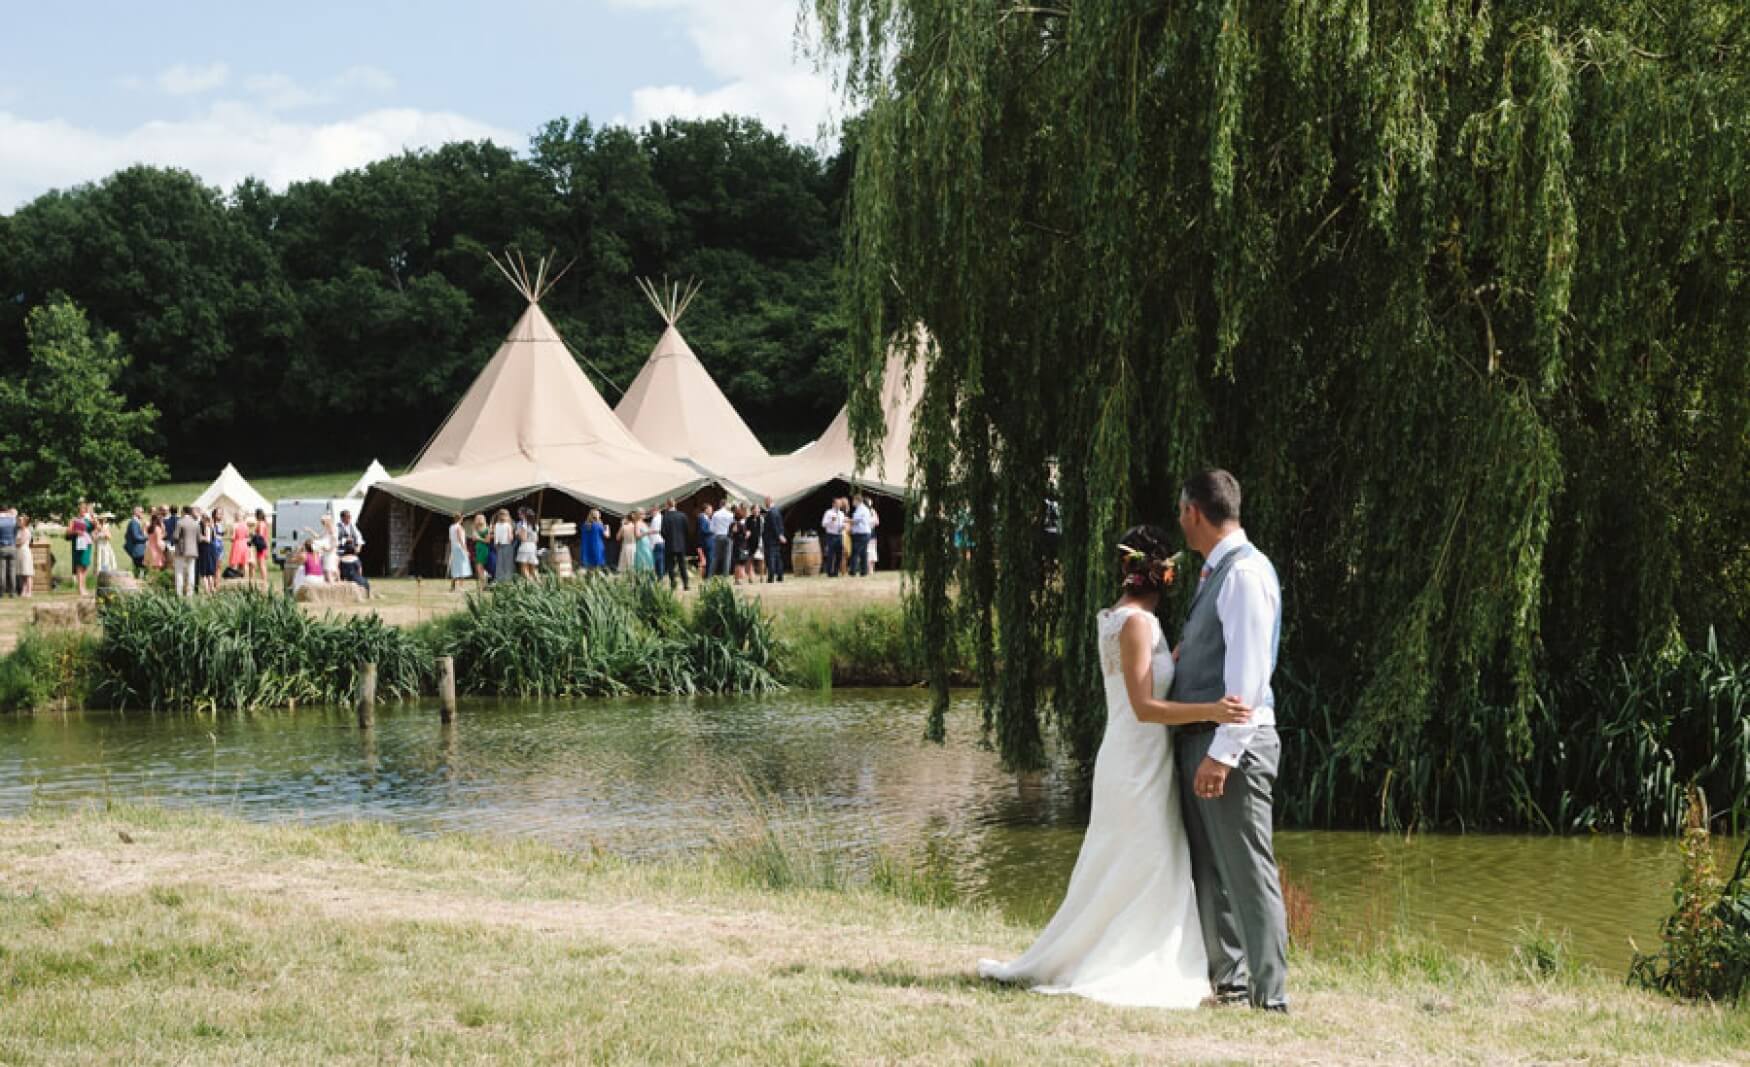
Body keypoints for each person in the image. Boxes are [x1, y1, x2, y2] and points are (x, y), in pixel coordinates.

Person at [978, 524, 1252, 1008]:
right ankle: (1129, 960)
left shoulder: (1121, 618)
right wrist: (1213, 710)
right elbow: (1144, 707)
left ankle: (1125, 950)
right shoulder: (1136, 624)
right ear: (1161, 576)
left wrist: (1176, 657)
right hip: (1135, 763)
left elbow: (1144, 677)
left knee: (1138, 861)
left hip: (1137, 758)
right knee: (1145, 860)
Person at [1171, 469, 1289, 1012]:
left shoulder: (1243, 575)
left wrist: (1222, 755)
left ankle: (1270, 996)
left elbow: (1246, 676)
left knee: (1246, 868)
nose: (1179, 522)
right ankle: (1232, 984)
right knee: (1212, 871)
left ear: (1195, 511)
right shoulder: (1216, 572)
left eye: (1181, 512)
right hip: (1204, 740)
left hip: (1232, 747)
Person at [659, 500, 691, 591]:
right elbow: (687, 530)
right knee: (682, 565)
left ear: (668, 505)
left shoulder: (666, 516)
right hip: (681, 544)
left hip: (670, 544)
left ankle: (673, 583)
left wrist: (668, 539)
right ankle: (686, 584)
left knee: (670, 565)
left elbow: (662, 532)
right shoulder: (682, 515)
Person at [172, 505, 200, 597]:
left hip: (181, 550)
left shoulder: (180, 522)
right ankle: (190, 593)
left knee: (179, 572)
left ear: (183, 512)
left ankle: (179, 593)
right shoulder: (196, 523)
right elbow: (198, 538)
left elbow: (175, 536)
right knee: (191, 572)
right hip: (193, 551)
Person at [68, 503, 94, 596]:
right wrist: (76, 531)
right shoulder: (74, 520)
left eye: (85, 509)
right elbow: (68, 532)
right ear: (78, 510)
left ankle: (84, 586)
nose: (83, 510)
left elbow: (97, 528)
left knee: (85, 565)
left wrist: (93, 516)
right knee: (79, 565)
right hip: (78, 544)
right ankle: (80, 588)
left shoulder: (89, 520)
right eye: (81, 509)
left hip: (87, 545)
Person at [760, 496, 787, 583]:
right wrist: (781, 534)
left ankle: (771, 577)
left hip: (771, 539)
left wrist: (779, 535)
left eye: (765, 502)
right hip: (776, 539)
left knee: (771, 558)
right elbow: (781, 525)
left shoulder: (771, 512)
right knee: (778, 558)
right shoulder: (777, 511)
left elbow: (774, 526)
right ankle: (780, 576)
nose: (765, 504)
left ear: (769, 501)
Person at [849, 496, 875, 577]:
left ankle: (853, 571)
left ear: (857, 501)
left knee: (855, 552)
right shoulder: (860, 509)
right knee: (863, 553)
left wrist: (845, 520)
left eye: (853, 501)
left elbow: (856, 521)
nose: (852, 502)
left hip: (862, 534)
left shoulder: (861, 509)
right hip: (863, 533)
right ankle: (864, 571)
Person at [820, 498, 845, 578]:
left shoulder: (841, 513)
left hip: (839, 535)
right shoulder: (828, 513)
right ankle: (829, 572)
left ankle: (836, 571)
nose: (839, 505)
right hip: (831, 535)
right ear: (833, 504)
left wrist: (843, 526)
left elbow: (842, 523)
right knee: (830, 554)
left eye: (840, 504)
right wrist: (831, 521)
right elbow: (823, 524)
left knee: (839, 555)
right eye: (837, 503)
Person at [709, 499, 734, 577]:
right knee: (727, 558)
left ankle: (710, 576)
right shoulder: (730, 515)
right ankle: (725, 576)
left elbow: (711, 528)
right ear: (726, 505)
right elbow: (733, 527)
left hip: (718, 536)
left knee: (715, 557)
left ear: (720, 505)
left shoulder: (715, 514)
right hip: (727, 536)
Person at [579, 509, 608, 574]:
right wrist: (607, 527)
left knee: (589, 567)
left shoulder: (584, 525)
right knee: (598, 567)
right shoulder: (598, 525)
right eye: (599, 514)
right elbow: (607, 535)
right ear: (597, 516)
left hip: (587, 548)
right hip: (597, 547)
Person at [447, 513, 471, 591]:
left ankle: (453, 585)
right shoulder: (459, 528)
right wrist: (466, 550)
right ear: (461, 519)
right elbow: (461, 540)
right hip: (460, 548)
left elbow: (450, 540)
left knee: (455, 567)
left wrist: (451, 550)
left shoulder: (451, 527)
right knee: (462, 567)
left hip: (454, 548)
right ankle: (460, 586)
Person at [515, 508, 540, 579]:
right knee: (533, 568)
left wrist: (518, 534)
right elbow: (536, 540)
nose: (519, 516)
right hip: (533, 547)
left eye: (520, 514)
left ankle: (530, 583)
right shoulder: (535, 525)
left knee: (524, 567)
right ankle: (539, 584)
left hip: (525, 547)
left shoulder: (524, 525)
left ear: (525, 515)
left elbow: (523, 538)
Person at [730, 505, 752, 585]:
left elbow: (730, 535)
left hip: (735, 545)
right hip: (742, 545)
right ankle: (738, 579)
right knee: (741, 562)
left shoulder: (732, 524)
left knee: (737, 562)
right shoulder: (741, 524)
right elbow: (745, 535)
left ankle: (737, 579)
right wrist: (748, 534)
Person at [492, 509, 515, 583]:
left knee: (499, 563)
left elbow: (496, 536)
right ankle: (507, 580)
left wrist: (495, 544)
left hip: (499, 545)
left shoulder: (496, 525)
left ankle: (499, 579)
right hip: (507, 545)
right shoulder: (508, 525)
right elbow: (510, 537)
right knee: (507, 563)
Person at [229, 511, 253, 580]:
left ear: (236, 516)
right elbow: (247, 536)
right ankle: (246, 579)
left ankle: (235, 580)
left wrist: (229, 538)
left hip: (237, 544)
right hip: (244, 544)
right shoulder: (245, 525)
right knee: (245, 564)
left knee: (235, 564)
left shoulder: (235, 525)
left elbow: (233, 537)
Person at [124, 507, 147, 577]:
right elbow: (136, 536)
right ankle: (139, 584)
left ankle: (139, 582)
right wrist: (146, 538)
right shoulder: (134, 522)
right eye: (142, 512)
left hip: (137, 549)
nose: (143, 513)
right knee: (140, 568)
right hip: (137, 550)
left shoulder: (135, 522)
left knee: (140, 568)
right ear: (136, 513)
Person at [470, 514, 491, 590]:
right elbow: (473, 539)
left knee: (479, 567)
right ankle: (483, 585)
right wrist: (476, 537)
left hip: (483, 549)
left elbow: (488, 541)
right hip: (477, 549)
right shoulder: (475, 528)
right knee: (479, 568)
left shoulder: (487, 529)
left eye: (480, 519)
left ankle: (484, 585)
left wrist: (479, 538)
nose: (478, 520)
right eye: (477, 519)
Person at [15, 514, 34, 597]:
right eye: (18, 520)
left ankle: (29, 591)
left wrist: (16, 543)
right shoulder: (19, 531)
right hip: (19, 552)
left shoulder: (27, 531)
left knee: (27, 572)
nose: (18, 522)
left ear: (25, 522)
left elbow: (21, 542)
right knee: (22, 573)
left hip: (25, 552)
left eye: (20, 520)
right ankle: (24, 590)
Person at [618, 509, 643, 573]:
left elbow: (617, 537)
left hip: (625, 546)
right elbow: (638, 537)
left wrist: (622, 525)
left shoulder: (624, 527)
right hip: (634, 546)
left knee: (624, 567)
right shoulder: (636, 526)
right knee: (632, 566)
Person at [0, 504, 16, 597]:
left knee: (2, 571)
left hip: (2, 547)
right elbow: (15, 533)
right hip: (12, 546)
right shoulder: (13, 520)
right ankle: (12, 592)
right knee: (12, 570)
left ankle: (1, 592)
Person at [252, 509, 273, 580]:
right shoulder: (264, 523)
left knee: (261, 564)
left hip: (261, 546)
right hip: (264, 545)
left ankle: (264, 581)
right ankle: (264, 580)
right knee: (263, 564)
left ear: (257, 515)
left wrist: (253, 535)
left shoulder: (260, 523)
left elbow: (260, 535)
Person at [695, 504, 714, 574]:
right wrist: (712, 531)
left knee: (708, 559)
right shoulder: (702, 517)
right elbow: (703, 530)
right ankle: (707, 576)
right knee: (708, 559)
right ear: (706, 509)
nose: (711, 511)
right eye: (710, 509)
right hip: (706, 542)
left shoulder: (706, 517)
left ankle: (707, 575)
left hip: (707, 541)